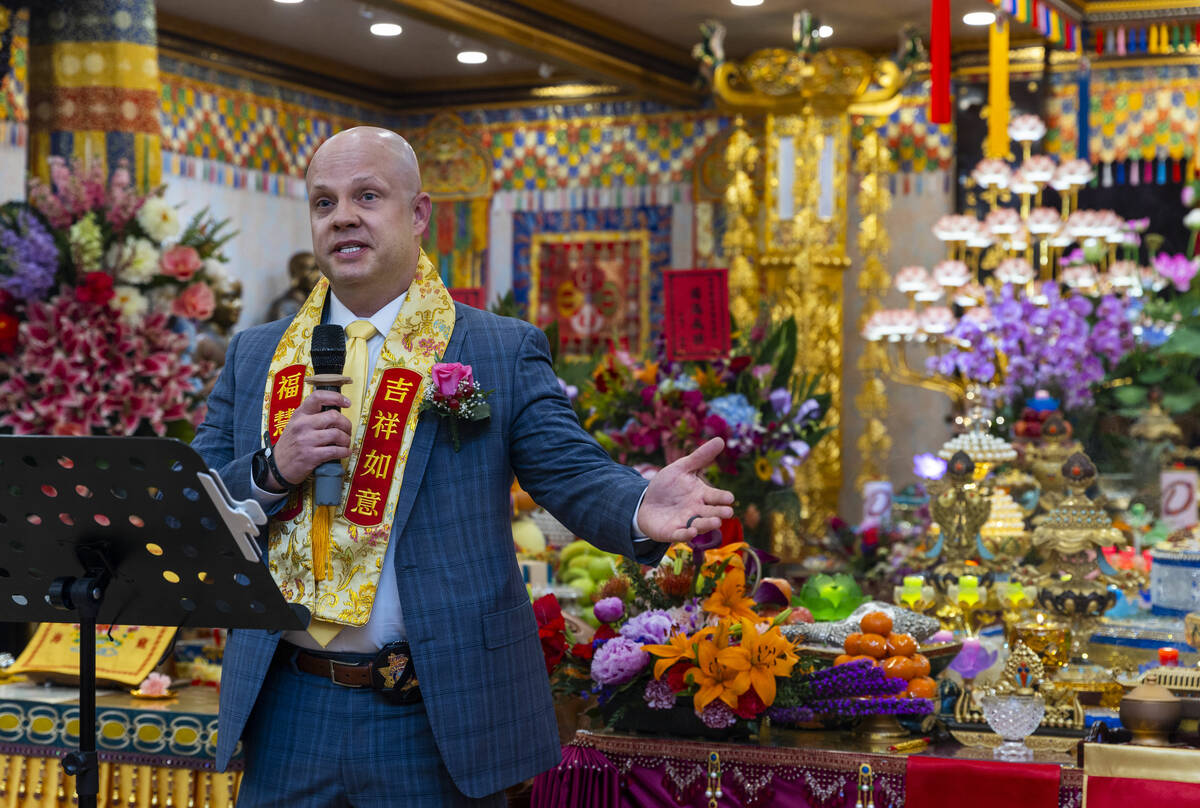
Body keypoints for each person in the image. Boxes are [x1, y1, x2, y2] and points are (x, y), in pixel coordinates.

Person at [191, 126, 734, 807]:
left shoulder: (496, 349)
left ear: (418, 215)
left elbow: (569, 469)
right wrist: (273, 469)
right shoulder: (256, 355)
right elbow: (195, 503)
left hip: (431, 708)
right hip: (289, 704)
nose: (344, 217)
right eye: (324, 203)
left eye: (368, 196)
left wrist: (636, 506)